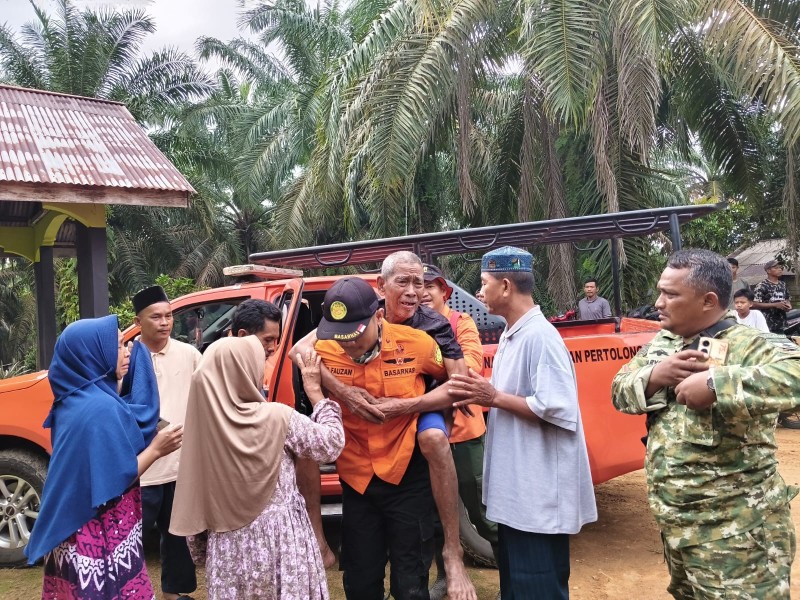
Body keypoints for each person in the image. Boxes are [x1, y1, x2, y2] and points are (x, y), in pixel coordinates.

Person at [611, 248, 800, 599]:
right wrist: (655, 375)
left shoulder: (751, 344)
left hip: (738, 536)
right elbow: (619, 391)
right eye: (660, 291)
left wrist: (718, 384)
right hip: (680, 530)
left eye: (670, 294)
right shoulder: (662, 343)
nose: (658, 302)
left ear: (708, 300)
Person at [294, 252, 477, 600]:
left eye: (417, 283)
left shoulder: (425, 337)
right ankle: (318, 540)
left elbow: (455, 382)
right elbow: (300, 353)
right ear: (381, 289)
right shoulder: (332, 340)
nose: (348, 343)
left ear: (377, 318)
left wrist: (407, 405)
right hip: (358, 477)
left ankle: (453, 554)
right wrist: (342, 392)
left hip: (406, 469)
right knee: (361, 582)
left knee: (410, 583)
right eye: (402, 282)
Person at [449, 246, 597, 599]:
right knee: (516, 588)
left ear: (505, 286)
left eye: (483, 284)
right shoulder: (514, 333)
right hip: (520, 494)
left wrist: (493, 397)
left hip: (537, 498)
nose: (479, 292)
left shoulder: (540, 338)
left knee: (538, 588)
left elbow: (557, 407)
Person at [170, 337, 344, 599]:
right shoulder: (277, 417)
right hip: (282, 544)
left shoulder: (201, 432)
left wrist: (201, 551)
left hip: (228, 549)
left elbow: (195, 501)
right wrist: (316, 393)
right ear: (245, 370)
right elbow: (330, 444)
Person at [25, 315, 183, 599]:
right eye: (119, 345)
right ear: (92, 354)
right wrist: (158, 448)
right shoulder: (100, 410)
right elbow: (117, 475)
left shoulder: (72, 400)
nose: (126, 353)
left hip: (73, 530)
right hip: (98, 533)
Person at [230, 298, 336, 567]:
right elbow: (329, 445)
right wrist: (316, 394)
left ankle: (318, 542)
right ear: (243, 336)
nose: (273, 348)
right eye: (267, 340)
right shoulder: (234, 370)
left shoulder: (216, 367)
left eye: (276, 340)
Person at [421, 264, 498, 598]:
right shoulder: (404, 325)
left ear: (445, 292)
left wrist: (421, 358)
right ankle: (444, 576)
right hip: (424, 436)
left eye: (430, 287)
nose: (422, 292)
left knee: (483, 512)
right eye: (417, 286)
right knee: (435, 512)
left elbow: (469, 367)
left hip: (464, 435)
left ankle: (510, 579)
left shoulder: (460, 323)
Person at [133, 285, 201, 600]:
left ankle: (177, 593)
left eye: (169, 315)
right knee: (134, 537)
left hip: (181, 464)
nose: (164, 322)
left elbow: (206, 398)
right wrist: (159, 427)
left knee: (179, 535)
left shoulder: (189, 354)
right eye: (156, 317)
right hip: (142, 467)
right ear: (138, 322)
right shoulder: (127, 358)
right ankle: (128, 590)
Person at [753, 258, 792, 333]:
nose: (780, 269)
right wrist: (775, 305)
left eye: (780, 267)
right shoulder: (762, 286)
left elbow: (787, 299)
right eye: (776, 268)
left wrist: (788, 306)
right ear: (768, 271)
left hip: (781, 323)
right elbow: (754, 304)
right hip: (767, 324)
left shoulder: (782, 284)